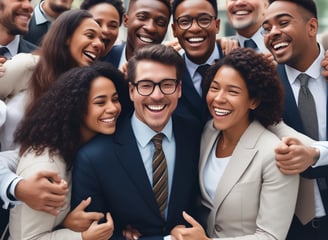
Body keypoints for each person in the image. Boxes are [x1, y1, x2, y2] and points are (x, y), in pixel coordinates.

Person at [71, 44, 202, 239]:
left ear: (179, 89)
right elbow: (95, 235)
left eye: (167, 84)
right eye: (146, 85)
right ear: (132, 91)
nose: (157, 96)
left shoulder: (196, 133)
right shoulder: (93, 157)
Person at [170, 47, 299, 240]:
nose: (219, 99)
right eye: (214, 88)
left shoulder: (275, 154)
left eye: (233, 91)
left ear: (253, 101)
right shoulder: (208, 132)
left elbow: (271, 236)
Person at [0, 8, 104, 237]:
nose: (99, 44)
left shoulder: (83, 92)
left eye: (102, 40)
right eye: (90, 35)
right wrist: (16, 186)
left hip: (38, 206)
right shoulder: (29, 66)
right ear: (66, 36)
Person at [8, 61, 125, 240]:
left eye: (115, 99)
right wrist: (82, 237)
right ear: (76, 108)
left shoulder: (84, 147)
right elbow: (28, 238)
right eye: (100, 102)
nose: (112, 108)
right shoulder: (47, 164)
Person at [262, 0, 328, 239]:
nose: (273, 33)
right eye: (267, 28)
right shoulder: (263, 85)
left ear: (311, 27)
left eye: (283, 22)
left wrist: (316, 153)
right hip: (291, 227)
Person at [171, 0, 223, 126]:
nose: (194, 28)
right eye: (184, 22)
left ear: (217, 25)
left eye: (204, 20)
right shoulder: (169, 72)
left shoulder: (237, 63)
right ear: (174, 30)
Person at [102, 0, 171, 69]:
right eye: (142, 17)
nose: (150, 28)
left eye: (160, 23)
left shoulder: (171, 69)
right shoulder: (102, 58)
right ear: (126, 20)